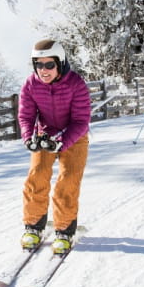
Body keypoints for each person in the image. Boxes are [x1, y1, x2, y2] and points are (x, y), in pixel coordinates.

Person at [18, 39, 92, 255]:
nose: (44, 70)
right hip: (45, 134)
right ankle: (33, 227)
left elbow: (81, 121)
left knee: (68, 180)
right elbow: (26, 115)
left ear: (60, 63)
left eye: (49, 65)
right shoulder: (31, 85)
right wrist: (28, 138)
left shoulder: (76, 84)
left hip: (75, 136)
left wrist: (62, 142)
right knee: (37, 175)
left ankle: (65, 230)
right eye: (38, 65)